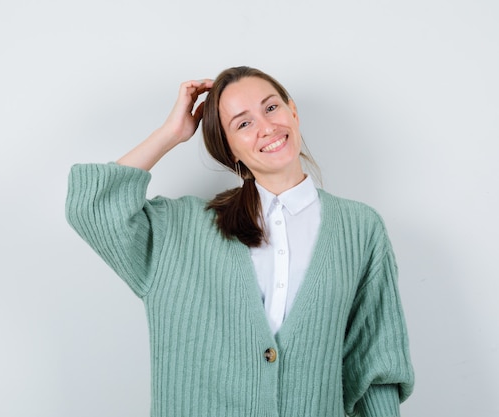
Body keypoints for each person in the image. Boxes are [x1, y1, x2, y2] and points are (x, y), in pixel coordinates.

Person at [66, 66, 414, 417]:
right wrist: (170, 133)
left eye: (271, 107)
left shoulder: (360, 229)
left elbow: (375, 366)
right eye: (243, 124)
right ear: (229, 149)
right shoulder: (180, 229)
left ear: (293, 111)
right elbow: (93, 208)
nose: (267, 127)